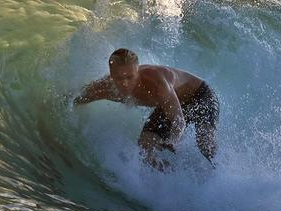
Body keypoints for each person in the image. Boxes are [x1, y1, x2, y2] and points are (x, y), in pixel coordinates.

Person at [73, 48, 219, 170]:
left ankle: (221, 171)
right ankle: (174, 180)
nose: (124, 83)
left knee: (205, 142)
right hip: (168, 104)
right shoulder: (104, 88)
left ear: (138, 73)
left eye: (130, 77)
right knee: (145, 150)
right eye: (118, 78)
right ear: (111, 75)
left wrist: (172, 139)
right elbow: (76, 98)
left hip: (200, 95)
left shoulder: (155, 82)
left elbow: (178, 120)